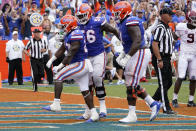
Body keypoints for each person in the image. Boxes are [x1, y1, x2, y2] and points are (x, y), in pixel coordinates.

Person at [42, 15, 99, 122]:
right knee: (84, 90)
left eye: (64, 25)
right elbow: (62, 48)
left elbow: (70, 53)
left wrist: (59, 66)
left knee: (58, 76)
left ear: (70, 25)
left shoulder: (76, 34)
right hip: (79, 64)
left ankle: (56, 104)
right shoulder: (70, 34)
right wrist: (51, 60)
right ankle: (94, 113)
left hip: (80, 64)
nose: (62, 28)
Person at [113, 1, 162, 123]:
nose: (116, 15)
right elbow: (128, 43)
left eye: (118, 13)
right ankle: (153, 103)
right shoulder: (123, 22)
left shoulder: (131, 20)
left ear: (124, 12)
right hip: (134, 52)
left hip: (139, 52)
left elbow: (137, 40)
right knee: (131, 83)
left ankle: (132, 114)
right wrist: (124, 54)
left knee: (131, 85)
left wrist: (127, 56)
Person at [76, 3, 120, 119]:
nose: (80, 18)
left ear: (89, 14)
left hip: (98, 54)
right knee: (87, 83)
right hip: (85, 57)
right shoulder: (78, 25)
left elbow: (113, 30)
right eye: (79, 16)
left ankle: (103, 107)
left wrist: (122, 40)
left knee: (97, 78)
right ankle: (88, 110)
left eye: (82, 16)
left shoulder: (97, 21)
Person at [151, 7, 176, 114]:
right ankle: (166, 108)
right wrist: (159, 59)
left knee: (169, 82)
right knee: (163, 83)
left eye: (171, 14)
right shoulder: (161, 27)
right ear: (163, 15)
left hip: (167, 57)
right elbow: (154, 43)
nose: (171, 15)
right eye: (169, 14)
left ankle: (152, 101)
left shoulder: (167, 27)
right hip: (161, 57)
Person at [172, 10, 196, 108]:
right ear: (188, 19)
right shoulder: (181, 27)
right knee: (181, 77)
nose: (194, 21)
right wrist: (172, 50)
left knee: (194, 78)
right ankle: (174, 99)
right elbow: (173, 38)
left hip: (194, 55)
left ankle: (190, 101)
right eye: (193, 19)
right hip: (184, 55)